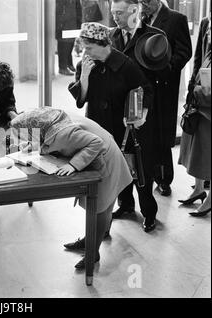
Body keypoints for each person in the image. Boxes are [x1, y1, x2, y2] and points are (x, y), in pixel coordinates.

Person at [11, 107, 132, 269]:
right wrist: (34, 147)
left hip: (106, 159)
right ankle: (89, 240)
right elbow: (56, 141)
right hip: (99, 155)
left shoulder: (61, 135)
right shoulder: (51, 120)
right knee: (96, 207)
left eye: (23, 136)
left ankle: (92, 253)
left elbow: (95, 142)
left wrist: (73, 165)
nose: (21, 140)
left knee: (100, 209)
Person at [68, 22, 157, 233]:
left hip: (125, 127)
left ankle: (149, 213)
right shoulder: (86, 64)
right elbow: (81, 100)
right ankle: (124, 206)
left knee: (138, 172)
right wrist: (84, 77)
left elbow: (145, 90)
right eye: (83, 48)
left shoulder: (125, 64)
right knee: (109, 171)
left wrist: (140, 115)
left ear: (103, 44)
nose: (85, 52)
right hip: (98, 126)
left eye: (89, 48)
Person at [109, 0, 170, 227]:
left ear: (134, 10)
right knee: (120, 162)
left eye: (119, 13)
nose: (115, 17)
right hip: (117, 112)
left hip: (143, 112)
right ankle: (125, 205)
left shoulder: (154, 37)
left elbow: (163, 76)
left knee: (142, 165)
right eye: (113, 13)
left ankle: (149, 213)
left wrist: (144, 108)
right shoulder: (111, 35)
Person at [139, 0, 192, 197]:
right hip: (144, 85)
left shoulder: (177, 19)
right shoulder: (141, 17)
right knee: (146, 132)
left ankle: (164, 180)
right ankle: (147, 177)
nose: (143, 6)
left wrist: (166, 67)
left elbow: (185, 50)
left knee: (161, 134)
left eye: (145, 2)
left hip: (164, 85)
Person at [178, 16, 211, 217]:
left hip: (208, 99)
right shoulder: (207, 21)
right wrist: (192, 87)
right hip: (201, 91)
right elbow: (199, 55)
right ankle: (199, 189)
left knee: (208, 148)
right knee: (196, 145)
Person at [55, 0, 82, 76]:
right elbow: (58, 10)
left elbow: (78, 8)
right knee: (63, 45)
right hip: (63, 24)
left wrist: (79, 22)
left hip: (72, 22)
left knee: (70, 44)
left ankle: (69, 64)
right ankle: (62, 67)